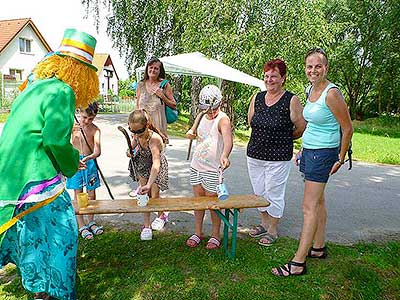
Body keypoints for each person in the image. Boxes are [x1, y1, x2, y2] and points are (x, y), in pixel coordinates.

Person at [0, 29, 99, 299]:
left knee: (33, 235)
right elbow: (54, 141)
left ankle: (39, 291)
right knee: (63, 233)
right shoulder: (62, 91)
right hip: (35, 177)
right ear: (82, 73)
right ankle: (57, 291)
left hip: (13, 176)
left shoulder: (34, 86)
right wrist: (71, 164)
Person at [272, 48, 353, 277]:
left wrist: (340, 157)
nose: (313, 70)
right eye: (309, 66)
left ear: (325, 68)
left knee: (308, 207)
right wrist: (302, 149)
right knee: (318, 203)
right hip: (310, 152)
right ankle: (318, 248)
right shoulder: (309, 90)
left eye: (318, 66)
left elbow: (347, 128)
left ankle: (298, 262)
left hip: (323, 154)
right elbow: (312, 125)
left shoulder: (331, 94)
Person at [247, 59, 306, 246]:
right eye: (266, 76)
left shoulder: (291, 99)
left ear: (283, 78)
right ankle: (264, 224)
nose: (269, 79)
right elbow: (251, 122)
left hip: (278, 157)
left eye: (274, 76)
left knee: (274, 192)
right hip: (255, 154)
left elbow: (300, 127)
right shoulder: (257, 97)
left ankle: (272, 229)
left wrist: (285, 138)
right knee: (259, 192)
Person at [185, 85, 233, 250]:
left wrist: (225, 155)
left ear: (219, 104)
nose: (210, 112)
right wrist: (190, 133)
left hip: (212, 169)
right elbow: (192, 131)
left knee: (213, 205)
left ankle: (215, 234)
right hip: (196, 166)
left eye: (213, 109)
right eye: (206, 109)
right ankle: (197, 232)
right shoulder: (201, 115)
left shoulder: (223, 119)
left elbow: (228, 140)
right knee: (198, 203)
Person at [127, 109, 169, 240]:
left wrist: (150, 184)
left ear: (146, 125)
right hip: (142, 164)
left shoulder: (154, 139)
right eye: (132, 131)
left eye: (139, 131)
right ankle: (146, 226)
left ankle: (161, 215)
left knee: (154, 195)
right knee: (144, 196)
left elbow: (156, 164)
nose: (136, 134)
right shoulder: (136, 134)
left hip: (156, 167)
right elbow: (132, 147)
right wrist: (130, 152)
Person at [66, 102, 104, 240]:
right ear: (79, 113)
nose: (87, 121)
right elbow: (65, 144)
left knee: (91, 193)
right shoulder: (73, 127)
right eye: (84, 117)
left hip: (89, 164)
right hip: (75, 164)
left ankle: (91, 221)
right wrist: (74, 159)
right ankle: (80, 223)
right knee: (78, 193)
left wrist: (88, 158)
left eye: (91, 118)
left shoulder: (96, 130)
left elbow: (97, 151)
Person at [136, 57, 176, 143]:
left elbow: (174, 105)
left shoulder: (165, 85)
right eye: (151, 67)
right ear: (147, 69)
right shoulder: (140, 84)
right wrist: (134, 126)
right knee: (141, 155)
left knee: (157, 154)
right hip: (142, 128)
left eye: (156, 68)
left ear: (159, 71)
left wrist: (162, 96)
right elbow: (137, 107)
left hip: (159, 129)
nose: (153, 70)